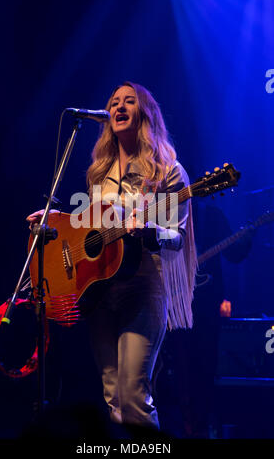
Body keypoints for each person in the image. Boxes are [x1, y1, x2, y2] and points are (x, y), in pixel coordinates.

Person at [27, 81, 197, 430]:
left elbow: (177, 238)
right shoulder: (100, 173)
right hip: (100, 291)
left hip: (143, 288)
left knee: (133, 393)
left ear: (145, 112)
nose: (119, 107)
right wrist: (54, 223)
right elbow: (88, 228)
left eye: (129, 101)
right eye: (114, 102)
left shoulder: (167, 170)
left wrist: (150, 232)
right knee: (111, 396)